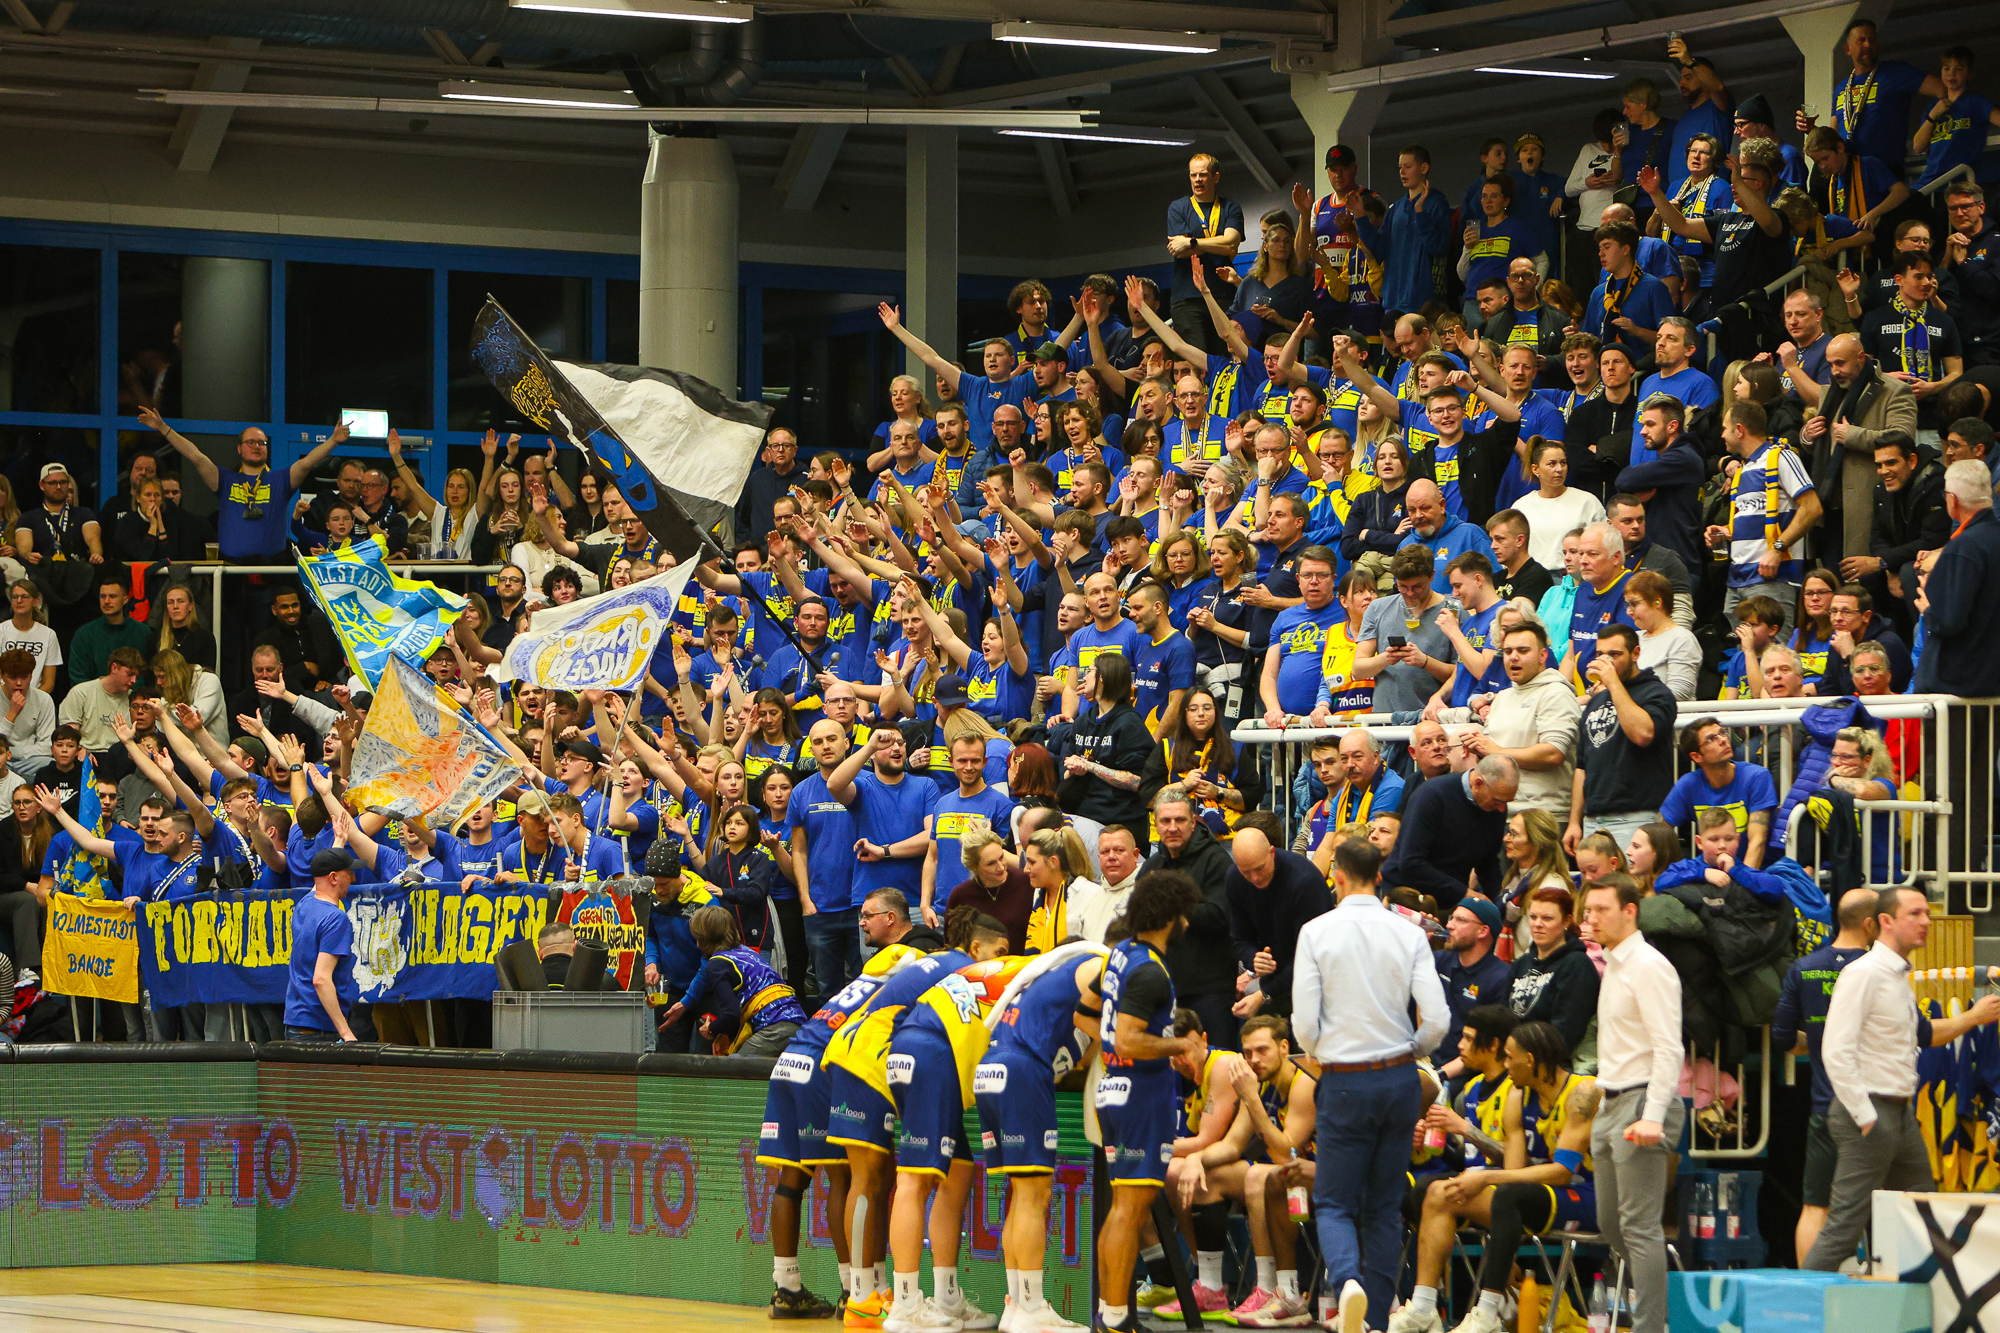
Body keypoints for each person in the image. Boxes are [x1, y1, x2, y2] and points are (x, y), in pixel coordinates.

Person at [1292, 838, 1447, 1333]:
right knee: (1382, 1207)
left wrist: (1328, 1048)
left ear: (1335, 874)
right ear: (1379, 876)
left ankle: (1347, 1282)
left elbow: (1304, 1027)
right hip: (1401, 1076)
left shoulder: (1316, 932)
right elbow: (1438, 1018)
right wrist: (1412, 1049)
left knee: (1335, 1201)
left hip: (1345, 1078)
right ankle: (1377, 1320)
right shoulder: (1408, 933)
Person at [1420, 1021, 1598, 1333]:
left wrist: (1487, 1179)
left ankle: (1487, 1314)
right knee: (1439, 1192)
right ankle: (1423, 1308)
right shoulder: (1518, 1096)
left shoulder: (1583, 1092)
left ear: (1529, 1060)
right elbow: (1513, 1174)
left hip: (1585, 1196)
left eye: (1509, 1057)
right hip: (1530, 1197)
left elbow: (1561, 1173)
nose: (1505, 1064)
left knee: (1507, 1195)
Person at [975, 934, 1108, 1333]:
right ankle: (1031, 1309)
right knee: (1036, 1193)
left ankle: (1018, 1304)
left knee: (1021, 1194)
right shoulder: (1091, 963)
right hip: (1021, 1071)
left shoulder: (1040, 979)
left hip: (990, 1068)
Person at [1093, 870, 1205, 1333]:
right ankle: (1116, 1317)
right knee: (1130, 1209)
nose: (1188, 924)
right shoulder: (1149, 971)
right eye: (1185, 916)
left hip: (1115, 1090)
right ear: (1170, 916)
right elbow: (1129, 1039)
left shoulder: (1121, 952)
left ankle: (1111, 1312)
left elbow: (1088, 1009)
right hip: (1139, 1093)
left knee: (1123, 1207)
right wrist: (1180, 1046)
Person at [1577, 874, 1682, 1333]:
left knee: (1639, 1228)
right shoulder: (1615, 963)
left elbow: (1668, 1048)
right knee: (1611, 1224)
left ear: (1630, 910)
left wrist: (1654, 1116)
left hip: (1642, 1101)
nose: (1592, 918)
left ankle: (1650, 1327)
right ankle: (1652, 1309)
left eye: (1602, 909)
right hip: (1611, 1099)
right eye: (1588, 911)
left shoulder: (1649, 966)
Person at [1803, 335, 1917, 568]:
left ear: (1861, 358)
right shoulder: (1829, 393)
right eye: (1831, 364)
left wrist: (1853, 436)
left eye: (1840, 363)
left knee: (1863, 583)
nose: (1835, 371)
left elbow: (1903, 438)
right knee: (1832, 577)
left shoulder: (1894, 390)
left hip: (1866, 505)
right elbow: (1820, 443)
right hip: (1828, 502)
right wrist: (1807, 434)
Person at [1566, 625, 1677, 858]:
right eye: (1600, 655)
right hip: (1593, 820)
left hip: (1637, 816)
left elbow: (1643, 734)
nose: (1606, 662)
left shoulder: (1656, 693)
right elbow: (1582, 766)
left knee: (1634, 890)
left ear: (1635, 654)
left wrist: (1612, 683)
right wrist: (1574, 821)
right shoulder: (1596, 702)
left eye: (1614, 655)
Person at [1143, 787, 1238, 1050]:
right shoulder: (1151, 868)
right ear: (1156, 825)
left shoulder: (1216, 860)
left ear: (1193, 822)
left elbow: (1220, 916)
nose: (1172, 828)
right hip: (1163, 991)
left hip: (1210, 991)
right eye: (1165, 821)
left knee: (1216, 1068)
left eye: (1180, 820)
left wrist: (1171, 904)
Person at [1463, 622, 1580, 818]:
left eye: (1523, 651)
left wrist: (1497, 752)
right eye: (1508, 651)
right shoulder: (1502, 697)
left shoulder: (1556, 692)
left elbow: (1553, 754)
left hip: (1543, 815)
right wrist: (1479, 749)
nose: (1513, 657)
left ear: (1543, 656)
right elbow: (1493, 755)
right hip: (1499, 813)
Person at [1382, 754, 1519, 918]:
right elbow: (1411, 862)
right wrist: (1464, 893)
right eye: (1498, 801)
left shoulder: (1494, 807)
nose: (1502, 809)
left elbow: (1488, 863)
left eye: (1507, 802)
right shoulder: (1431, 795)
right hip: (1405, 896)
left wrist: (1497, 907)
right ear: (1478, 783)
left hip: (1450, 898)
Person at [790, 717, 864, 1002]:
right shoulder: (801, 792)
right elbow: (799, 850)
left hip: (862, 905)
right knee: (827, 993)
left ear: (847, 743)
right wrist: (806, 899)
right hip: (820, 907)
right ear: (811, 749)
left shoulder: (868, 783)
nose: (825, 746)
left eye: (832, 739)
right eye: (818, 742)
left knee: (866, 990)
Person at [1225, 828, 1330, 1024]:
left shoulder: (1305, 882)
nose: (1255, 878)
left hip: (1316, 984)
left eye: (1260, 868)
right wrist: (1253, 959)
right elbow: (1239, 938)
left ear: (1272, 853)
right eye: (1246, 871)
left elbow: (1313, 958)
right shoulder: (1235, 878)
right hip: (1275, 976)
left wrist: (1264, 994)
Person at [1915, 460, 2000, 695]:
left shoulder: (1964, 547)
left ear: (1952, 499)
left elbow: (1950, 620)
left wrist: (1928, 608)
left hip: (1958, 686)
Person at [1505, 886, 1601, 1065]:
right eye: (1533, 917)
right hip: (1513, 1057)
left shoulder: (1577, 965)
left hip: (1550, 1063)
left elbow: (1565, 1034)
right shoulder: (1521, 964)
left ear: (1567, 921)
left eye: (1547, 918)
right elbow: (1503, 1016)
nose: (1537, 924)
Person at [1360, 146, 1453, 318]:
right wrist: (1360, 217)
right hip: (1393, 301)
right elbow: (1379, 251)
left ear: (1424, 168)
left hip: (1423, 303)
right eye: (1400, 167)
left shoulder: (1437, 203)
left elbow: (1439, 247)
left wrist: (1420, 212)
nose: (1402, 172)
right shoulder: (1396, 208)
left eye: (1408, 167)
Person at [286, 846, 360, 1042]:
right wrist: (346, 1033)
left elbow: (318, 882)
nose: (353, 879)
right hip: (318, 1029)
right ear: (334, 877)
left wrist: (339, 840)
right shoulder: (336, 918)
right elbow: (321, 979)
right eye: (349, 873)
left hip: (296, 1021)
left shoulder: (304, 904)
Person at [1434, 896, 1511, 1068]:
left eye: (1460, 920)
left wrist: (1440, 1074)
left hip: (1464, 1068)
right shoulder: (1439, 960)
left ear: (1483, 931)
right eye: (1451, 918)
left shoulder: (1499, 978)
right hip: (1428, 1057)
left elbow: (1485, 1048)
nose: (1449, 925)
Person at [1624, 569, 1698, 701]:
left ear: (1657, 602)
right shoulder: (1634, 637)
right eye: (1627, 605)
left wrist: (1621, 695)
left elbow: (1679, 693)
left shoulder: (1682, 639)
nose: (1629, 612)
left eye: (1634, 604)